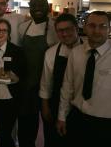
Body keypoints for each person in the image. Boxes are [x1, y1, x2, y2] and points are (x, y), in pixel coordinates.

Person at [57, 11, 111, 147]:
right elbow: (67, 87)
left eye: (102, 26)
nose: (97, 30)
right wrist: (62, 117)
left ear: (109, 29)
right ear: (84, 27)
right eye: (92, 25)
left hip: (105, 123)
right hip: (77, 118)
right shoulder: (76, 53)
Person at [18, 0, 58, 147]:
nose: (37, 9)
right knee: (27, 126)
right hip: (27, 85)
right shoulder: (23, 27)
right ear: (30, 8)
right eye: (33, 6)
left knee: (49, 126)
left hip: (48, 84)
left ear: (47, 7)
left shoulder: (54, 28)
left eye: (41, 5)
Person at [39, 13, 82, 147]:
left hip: (80, 108)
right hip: (55, 105)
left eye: (68, 29)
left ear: (76, 28)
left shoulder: (88, 51)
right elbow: (46, 83)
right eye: (60, 31)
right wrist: (45, 107)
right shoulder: (51, 53)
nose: (64, 34)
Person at [0, 19, 25, 147]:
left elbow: (24, 75)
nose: (0, 33)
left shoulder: (16, 51)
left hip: (10, 99)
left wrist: (16, 77)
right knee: (0, 129)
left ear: (8, 34)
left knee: (4, 132)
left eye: (4, 30)